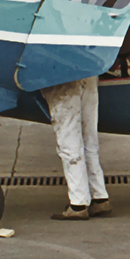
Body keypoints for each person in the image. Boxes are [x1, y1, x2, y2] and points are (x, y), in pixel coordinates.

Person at [41, 77, 111, 220]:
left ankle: (78, 204)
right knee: (89, 140)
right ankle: (99, 198)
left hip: (62, 74)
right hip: (88, 73)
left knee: (69, 141)